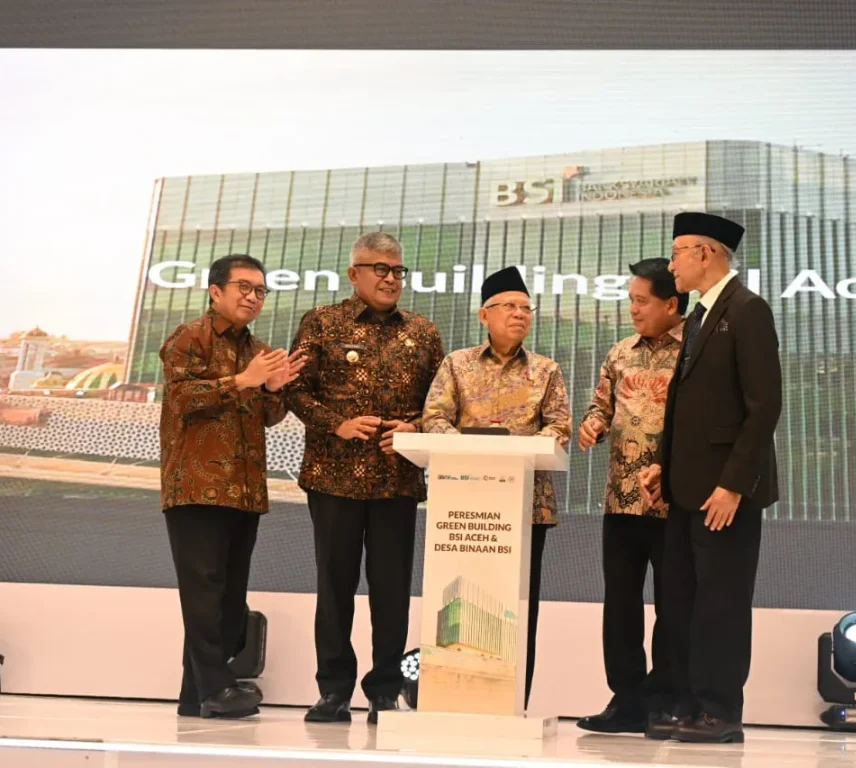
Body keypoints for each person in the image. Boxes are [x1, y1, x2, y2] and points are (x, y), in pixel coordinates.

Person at [286, 232, 445, 724]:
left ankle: (383, 691)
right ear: (353, 273)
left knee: (392, 590)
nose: (391, 278)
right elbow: (293, 388)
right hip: (333, 478)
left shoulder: (424, 332)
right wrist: (338, 423)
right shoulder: (322, 322)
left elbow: (442, 404)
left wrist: (414, 426)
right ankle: (333, 691)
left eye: (397, 271)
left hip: (396, 480)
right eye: (380, 269)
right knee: (334, 587)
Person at [640, 213, 782, 744]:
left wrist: (733, 485)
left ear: (706, 253)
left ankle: (720, 711)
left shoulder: (747, 310)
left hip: (726, 493)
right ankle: (688, 703)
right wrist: (663, 464)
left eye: (677, 251)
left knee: (720, 603)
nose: (671, 261)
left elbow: (764, 406)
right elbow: (686, 405)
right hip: (685, 490)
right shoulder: (700, 315)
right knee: (680, 601)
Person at [159, 253, 305, 719]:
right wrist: (243, 380)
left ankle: (195, 694)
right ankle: (218, 687)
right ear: (215, 290)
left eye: (260, 290)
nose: (252, 297)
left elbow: (268, 417)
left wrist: (271, 388)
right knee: (203, 590)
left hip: (243, 490)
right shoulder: (189, 337)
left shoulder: (258, 349)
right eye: (243, 287)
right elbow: (183, 399)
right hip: (196, 486)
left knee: (228, 596)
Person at [421, 266, 572, 709]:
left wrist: (518, 454)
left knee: (518, 606)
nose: (520, 314)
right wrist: (473, 452)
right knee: (457, 602)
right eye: (509, 306)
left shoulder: (547, 370)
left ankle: (512, 702)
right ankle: (452, 699)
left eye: (526, 307)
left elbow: (560, 426)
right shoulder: (457, 364)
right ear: (483, 315)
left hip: (526, 507)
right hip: (462, 508)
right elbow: (434, 419)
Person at [575, 258, 683, 734]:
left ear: (671, 303)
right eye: (631, 300)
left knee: (673, 606)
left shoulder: (693, 352)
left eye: (642, 301)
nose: (633, 309)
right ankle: (627, 699)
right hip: (620, 499)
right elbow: (600, 405)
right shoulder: (620, 353)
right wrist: (593, 424)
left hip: (672, 500)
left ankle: (666, 699)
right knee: (620, 603)